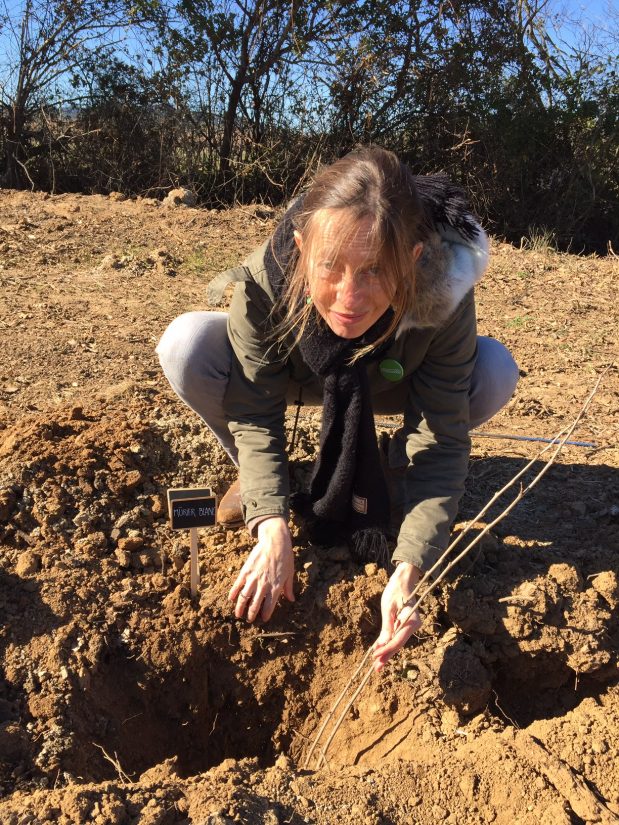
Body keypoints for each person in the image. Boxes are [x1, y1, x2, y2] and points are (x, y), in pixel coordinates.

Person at [157, 146, 518, 672]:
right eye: (330, 267)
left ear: (413, 257)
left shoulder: (443, 294)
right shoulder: (267, 280)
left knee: (492, 371)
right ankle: (261, 483)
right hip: (297, 377)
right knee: (187, 345)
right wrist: (271, 524)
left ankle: (391, 473)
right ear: (303, 248)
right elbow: (255, 409)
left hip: (390, 381)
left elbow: (441, 437)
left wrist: (411, 566)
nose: (350, 296)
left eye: (375, 269)